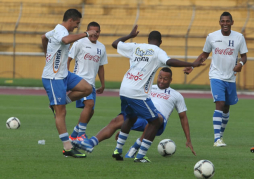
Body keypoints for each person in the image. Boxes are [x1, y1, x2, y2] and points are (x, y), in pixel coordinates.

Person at [72, 25, 204, 162]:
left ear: (148, 40)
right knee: (154, 121)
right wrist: (192, 63)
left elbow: (115, 44)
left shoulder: (136, 47)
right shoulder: (158, 51)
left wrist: (129, 36)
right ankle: (140, 156)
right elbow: (169, 61)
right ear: (160, 42)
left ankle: (99, 145)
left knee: (130, 117)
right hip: (137, 92)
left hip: (124, 89)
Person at [80, 68, 196, 160]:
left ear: (170, 80)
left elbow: (183, 118)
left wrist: (188, 140)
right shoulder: (149, 88)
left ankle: (135, 147)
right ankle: (91, 142)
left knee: (156, 118)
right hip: (142, 112)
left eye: (165, 79)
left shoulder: (177, 95)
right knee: (117, 120)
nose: (161, 80)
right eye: (160, 77)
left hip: (158, 120)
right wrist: (126, 126)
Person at [184, 12, 248, 147]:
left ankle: (221, 136)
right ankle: (216, 139)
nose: (225, 24)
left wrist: (240, 64)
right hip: (216, 76)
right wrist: (192, 66)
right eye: (222, 21)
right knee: (220, 103)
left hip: (230, 78)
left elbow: (244, 56)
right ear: (219, 22)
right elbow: (205, 54)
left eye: (227, 21)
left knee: (226, 107)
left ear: (232, 22)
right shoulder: (212, 37)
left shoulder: (239, 37)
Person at [41, 9, 97, 158]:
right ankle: (67, 147)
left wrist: (47, 54)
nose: (76, 27)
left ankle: (58, 103)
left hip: (64, 74)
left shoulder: (55, 30)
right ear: (71, 20)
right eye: (77, 24)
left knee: (87, 88)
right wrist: (86, 33)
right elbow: (65, 40)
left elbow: (43, 37)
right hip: (53, 78)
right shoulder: (61, 31)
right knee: (61, 112)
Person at [67, 21, 108, 141]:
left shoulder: (101, 47)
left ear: (100, 32)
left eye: (97, 32)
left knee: (91, 112)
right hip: (80, 81)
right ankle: (81, 135)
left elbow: (101, 66)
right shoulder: (79, 43)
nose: (94, 34)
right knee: (89, 105)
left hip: (92, 83)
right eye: (92, 31)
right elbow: (68, 59)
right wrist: (67, 77)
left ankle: (74, 136)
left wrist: (103, 83)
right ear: (87, 31)